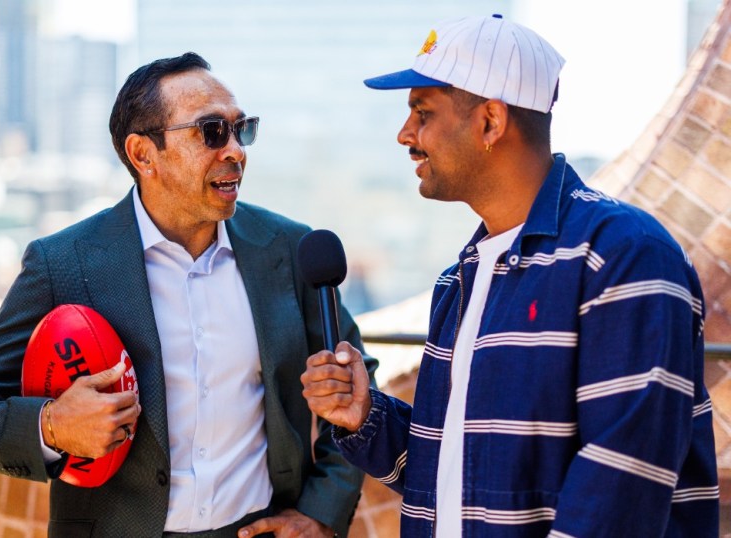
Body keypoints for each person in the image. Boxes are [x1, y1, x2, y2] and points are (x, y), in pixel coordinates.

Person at [301, 14, 719, 537]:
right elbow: (455, 475)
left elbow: (622, 482)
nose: (406, 134)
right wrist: (366, 416)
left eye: (422, 112)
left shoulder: (622, 255)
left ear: (491, 122)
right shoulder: (461, 279)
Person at [0, 52, 376, 538]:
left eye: (240, 129)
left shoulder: (288, 249)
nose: (236, 150)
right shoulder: (65, 263)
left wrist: (321, 512)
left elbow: (356, 379)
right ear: (144, 155)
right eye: (211, 131)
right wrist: (53, 427)